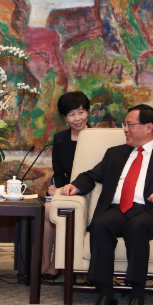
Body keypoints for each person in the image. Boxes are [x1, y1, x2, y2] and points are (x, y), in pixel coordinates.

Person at [61, 104, 153, 305]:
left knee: (138, 226)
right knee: (99, 224)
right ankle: (106, 295)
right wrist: (75, 186)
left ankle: (137, 295)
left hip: (149, 211)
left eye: (129, 125)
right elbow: (91, 175)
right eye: (124, 125)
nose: (125, 129)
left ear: (148, 127)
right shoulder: (116, 153)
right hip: (117, 209)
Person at [42, 91, 90, 277]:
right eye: (71, 114)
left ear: (87, 112)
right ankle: (45, 261)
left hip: (89, 190)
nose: (77, 118)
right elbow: (58, 173)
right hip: (66, 190)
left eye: (81, 112)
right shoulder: (60, 139)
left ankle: (57, 262)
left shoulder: (98, 136)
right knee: (47, 208)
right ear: (64, 117)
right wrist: (55, 187)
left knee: (59, 209)